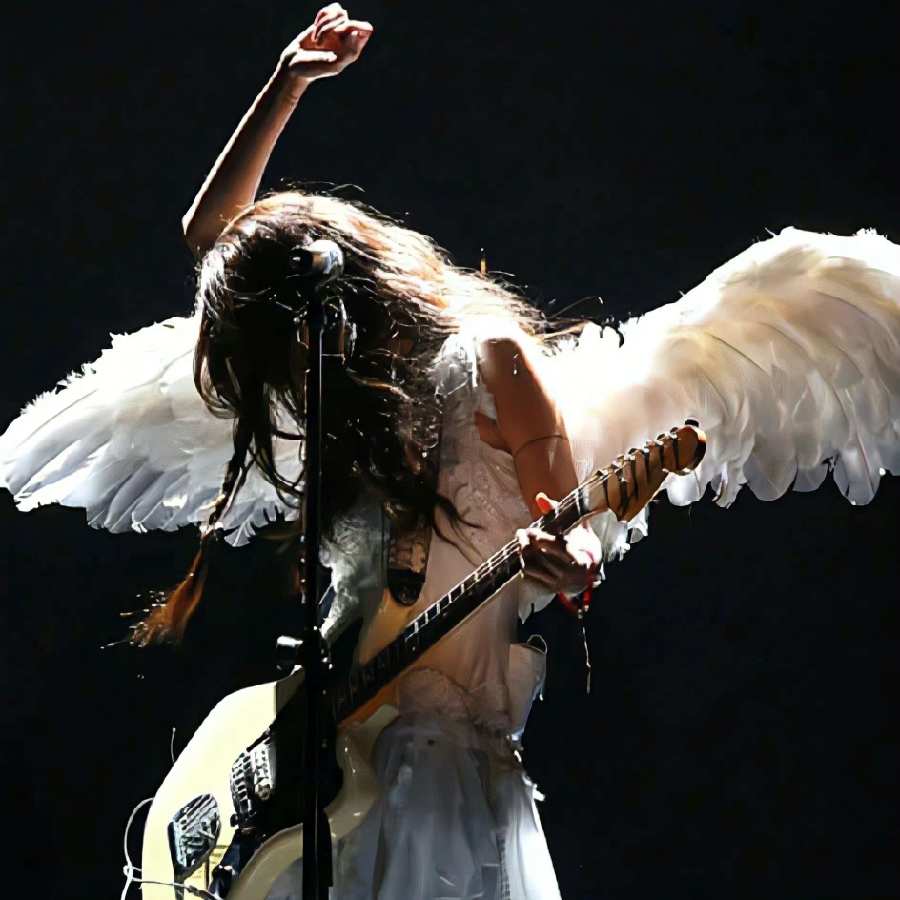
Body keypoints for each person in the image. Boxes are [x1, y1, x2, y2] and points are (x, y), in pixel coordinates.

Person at [0, 5, 897, 899]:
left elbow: (572, 538)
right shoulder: (347, 405)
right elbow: (212, 237)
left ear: (349, 294)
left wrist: (570, 560)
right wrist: (287, 83)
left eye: (285, 340)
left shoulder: (489, 361)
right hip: (325, 760)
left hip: (439, 773)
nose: (287, 368)